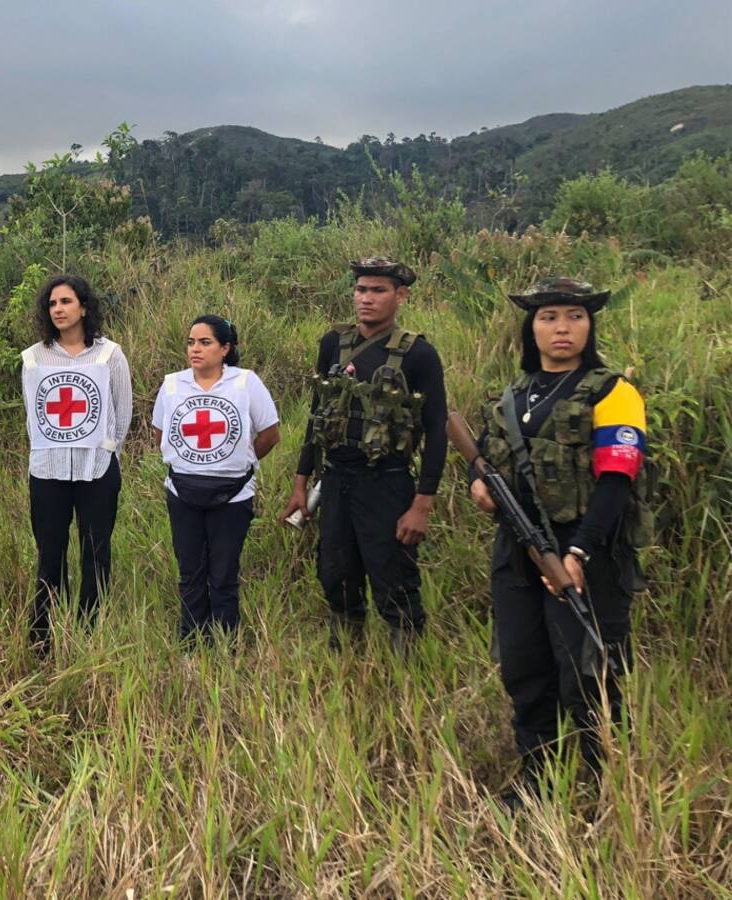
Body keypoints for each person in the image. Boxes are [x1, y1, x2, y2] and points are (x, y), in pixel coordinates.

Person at [469, 277, 650, 805]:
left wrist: (579, 553)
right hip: (519, 551)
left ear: (590, 325)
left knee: (588, 672)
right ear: (532, 327)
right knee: (525, 667)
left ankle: (604, 781)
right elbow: (482, 460)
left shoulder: (613, 391)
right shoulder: (515, 394)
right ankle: (539, 777)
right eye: (548, 317)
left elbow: (618, 480)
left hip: (586, 551)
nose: (561, 327)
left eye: (574, 315)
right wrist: (478, 485)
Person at [281, 257, 448, 650]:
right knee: (335, 574)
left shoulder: (418, 354)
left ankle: (406, 670)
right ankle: (347, 658)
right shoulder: (333, 344)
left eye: (378, 290)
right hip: (336, 480)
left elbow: (437, 430)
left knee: (393, 576)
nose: (366, 299)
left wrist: (422, 504)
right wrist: (301, 483)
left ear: (400, 295)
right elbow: (316, 417)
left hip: (386, 482)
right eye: (361, 290)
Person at [21, 275, 133, 652]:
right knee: (49, 553)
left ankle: (88, 633)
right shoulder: (34, 357)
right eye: (53, 304)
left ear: (84, 307)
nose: (59, 310)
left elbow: (122, 413)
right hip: (47, 470)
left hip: (97, 470)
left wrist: (105, 453)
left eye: (66, 302)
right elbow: (33, 415)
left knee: (95, 552)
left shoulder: (110, 355)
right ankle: (43, 636)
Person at [153, 316, 280, 641]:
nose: (195, 349)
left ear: (225, 348)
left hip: (234, 495)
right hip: (182, 492)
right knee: (190, 572)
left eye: (205, 342)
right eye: (191, 342)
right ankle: (191, 640)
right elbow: (160, 433)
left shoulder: (246, 382)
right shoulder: (172, 384)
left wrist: (239, 461)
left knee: (224, 573)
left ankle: (226, 642)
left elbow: (270, 433)